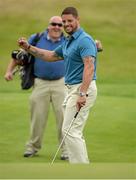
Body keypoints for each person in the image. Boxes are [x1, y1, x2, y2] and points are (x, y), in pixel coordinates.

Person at [18, 7, 102, 164]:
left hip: (82, 89)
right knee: (72, 131)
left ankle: (80, 170)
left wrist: (82, 94)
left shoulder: (84, 40)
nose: (66, 24)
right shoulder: (69, 41)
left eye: (70, 21)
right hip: (72, 89)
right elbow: (50, 56)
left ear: (78, 20)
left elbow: (89, 67)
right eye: (64, 21)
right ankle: (82, 167)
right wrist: (28, 48)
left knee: (70, 131)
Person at [4, 16, 68, 160]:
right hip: (40, 83)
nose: (57, 27)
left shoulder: (67, 40)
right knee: (37, 117)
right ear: (48, 25)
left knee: (64, 119)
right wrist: (9, 71)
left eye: (60, 24)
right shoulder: (37, 38)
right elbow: (19, 55)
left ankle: (66, 150)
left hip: (61, 83)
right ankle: (32, 147)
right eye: (54, 24)